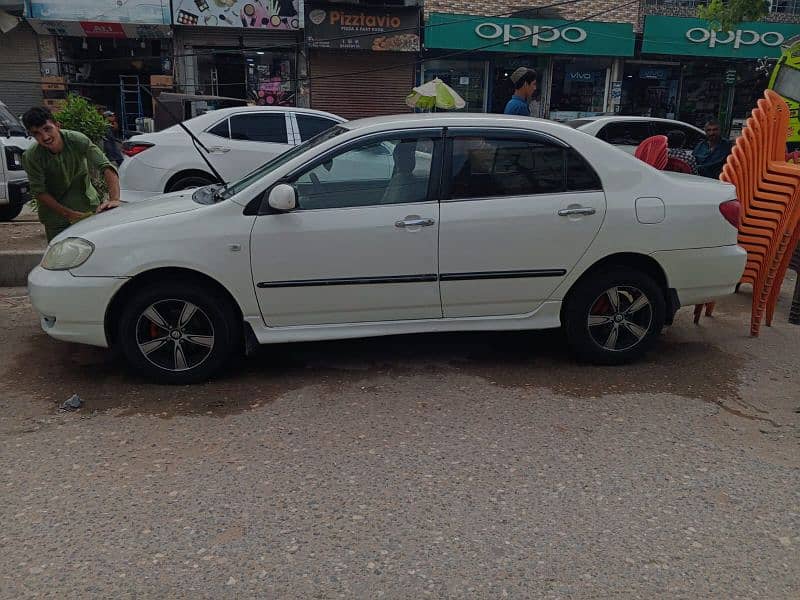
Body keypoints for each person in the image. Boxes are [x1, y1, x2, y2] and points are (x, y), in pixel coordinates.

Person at [21, 106, 121, 242]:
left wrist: (114, 199)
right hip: (55, 217)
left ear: (57, 126)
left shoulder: (77, 140)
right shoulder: (32, 156)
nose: (45, 137)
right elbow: (39, 191)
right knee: (61, 258)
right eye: (37, 133)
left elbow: (106, 167)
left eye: (47, 129)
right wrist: (69, 214)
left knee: (95, 251)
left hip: (86, 207)